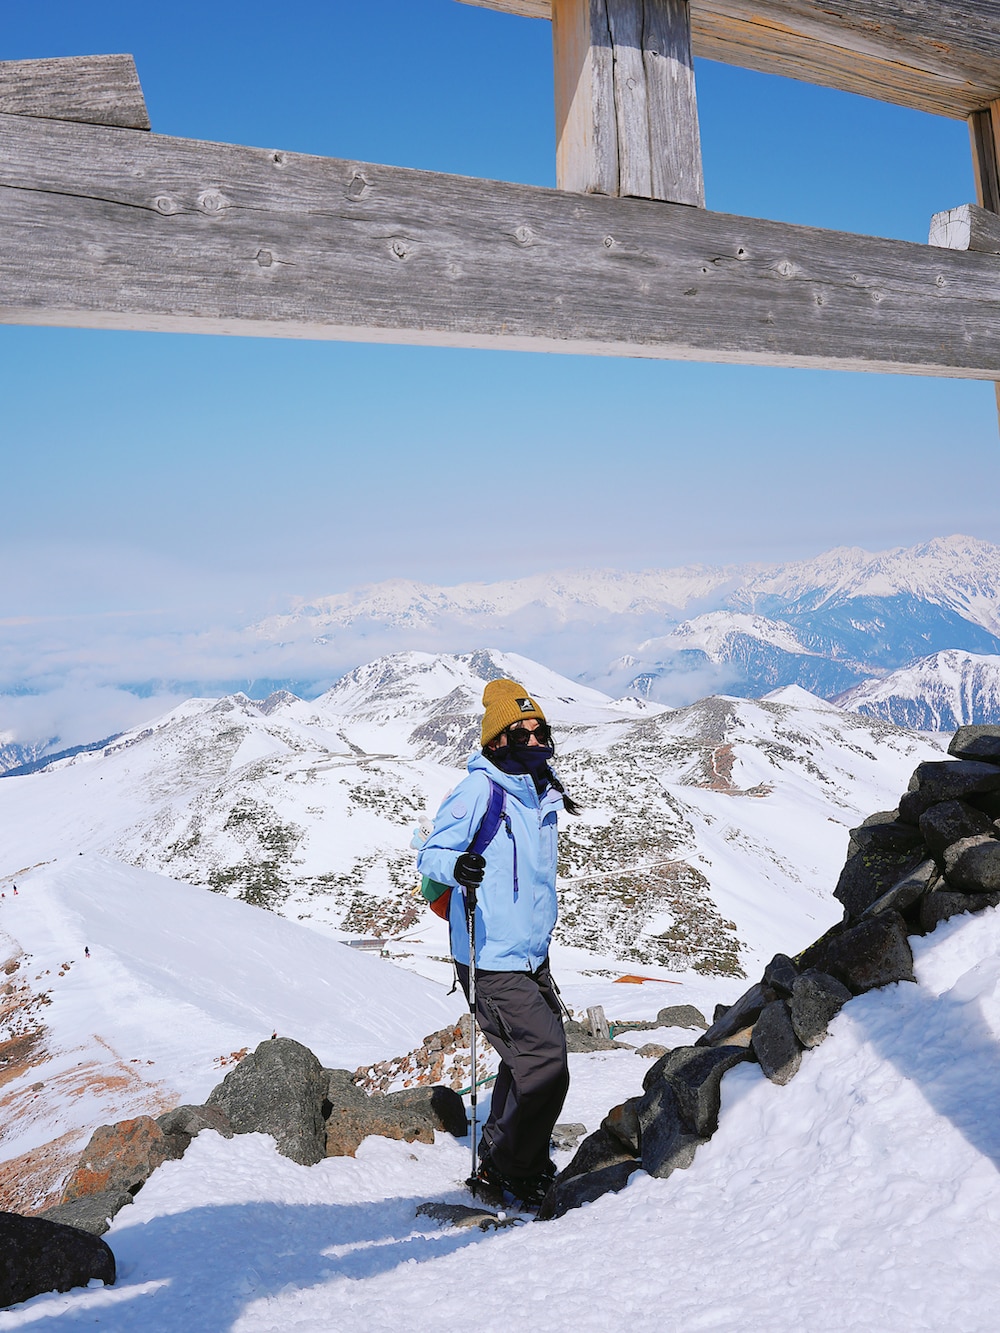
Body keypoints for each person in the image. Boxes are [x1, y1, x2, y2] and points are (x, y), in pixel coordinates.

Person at [417, 678, 579, 1206]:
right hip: (489, 958)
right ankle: (518, 1169)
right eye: (521, 732)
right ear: (495, 740)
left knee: (526, 1062)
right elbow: (431, 855)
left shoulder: (540, 792)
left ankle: (499, 1163)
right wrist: (456, 865)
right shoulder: (479, 791)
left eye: (540, 731)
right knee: (545, 1062)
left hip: (530, 954)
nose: (535, 741)